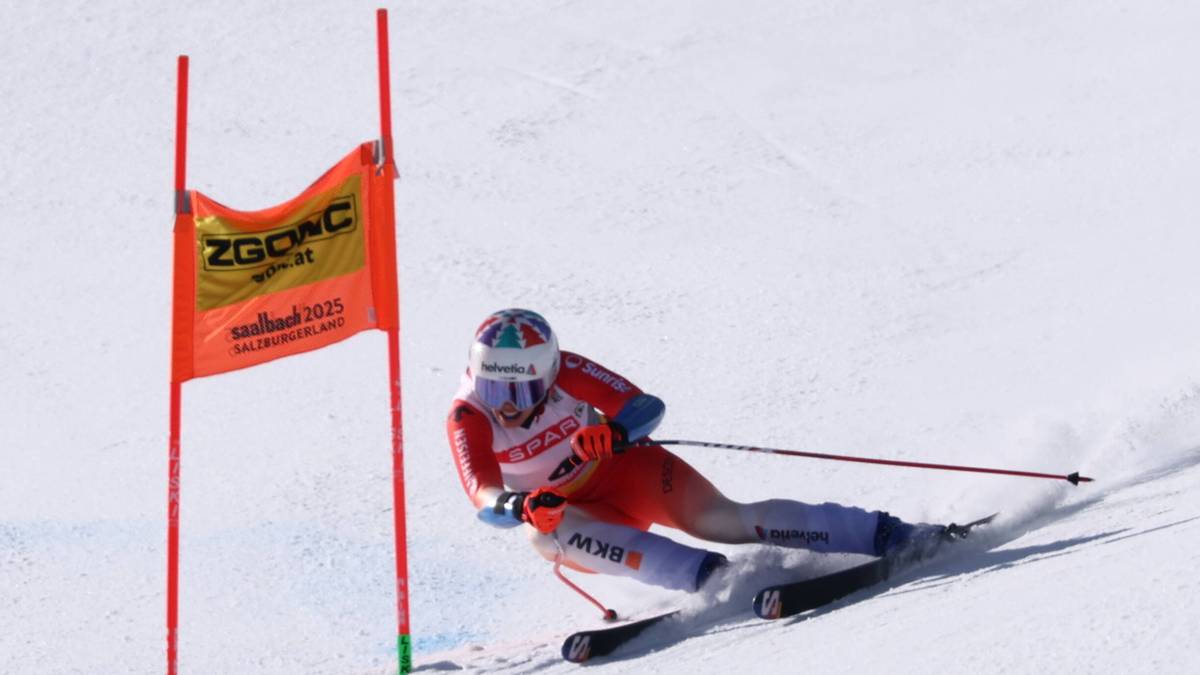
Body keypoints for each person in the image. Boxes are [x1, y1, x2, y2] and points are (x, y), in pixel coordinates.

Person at [446, 308, 949, 593]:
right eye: (495, 390)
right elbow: (483, 495)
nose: (507, 409)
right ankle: (715, 581)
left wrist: (617, 432)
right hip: (570, 513)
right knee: (545, 537)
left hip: (624, 472)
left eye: (522, 392)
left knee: (721, 520)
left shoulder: (569, 369)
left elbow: (644, 406)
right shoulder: (468, 415)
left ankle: (885, 532)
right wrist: (520, 505)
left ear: (549, 372)